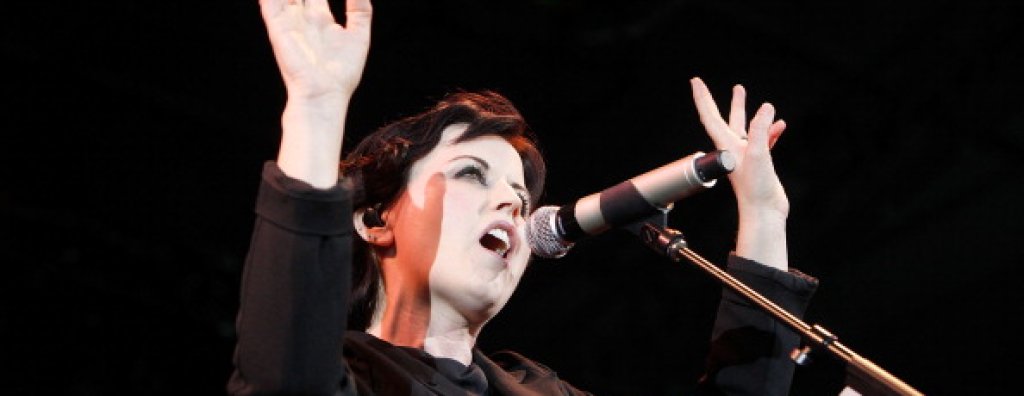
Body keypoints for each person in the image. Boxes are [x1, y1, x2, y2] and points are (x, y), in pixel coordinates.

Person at [228, 0, 819, 394]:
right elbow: (288, 369)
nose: (512, 204)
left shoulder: (538, 389)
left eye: (520, 195)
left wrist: (764, 213)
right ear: (375, 220)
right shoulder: (349, 375)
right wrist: (317, 106)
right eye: (471, 174)